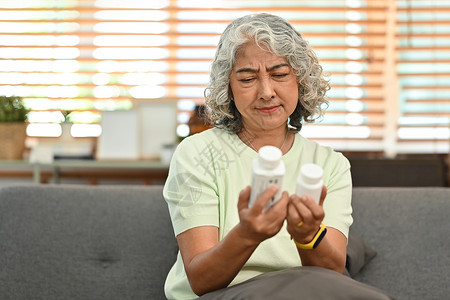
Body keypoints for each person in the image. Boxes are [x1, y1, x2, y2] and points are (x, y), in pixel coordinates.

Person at [163, 13, 394, 300]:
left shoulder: (330, 165)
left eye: (280, 74)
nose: (266, 92)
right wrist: (247, 234)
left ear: (301, 79)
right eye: (247, 78)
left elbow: (332, 275)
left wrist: (309, 237)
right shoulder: (198, 153)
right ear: (228, 88)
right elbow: (201, 280)